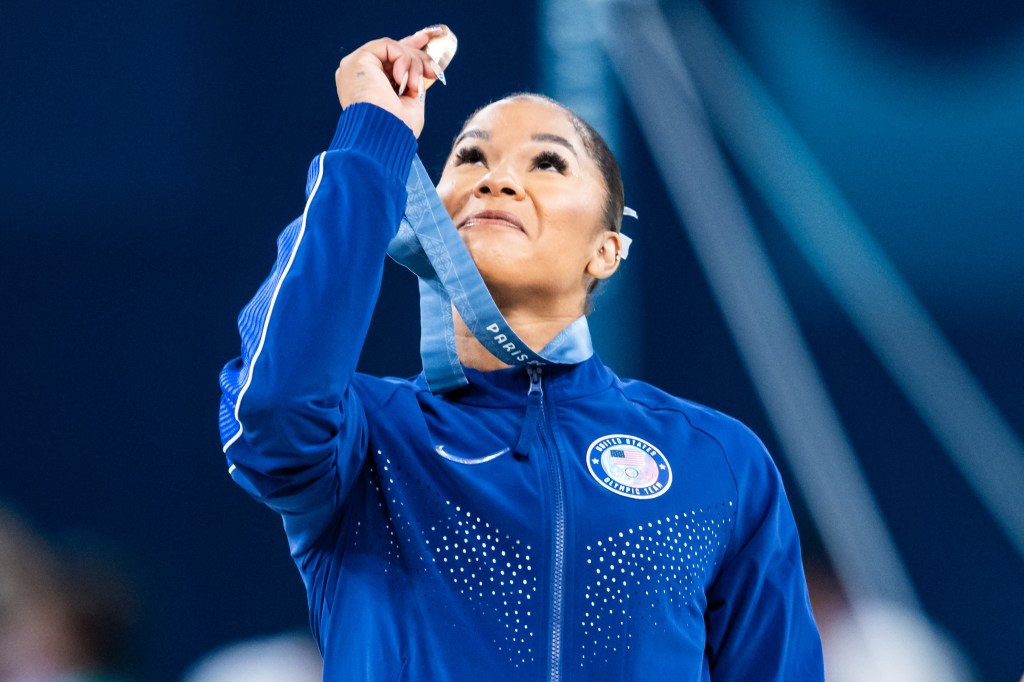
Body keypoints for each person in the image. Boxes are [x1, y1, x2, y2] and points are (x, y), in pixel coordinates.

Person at [218, 27, 824, 681]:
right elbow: (271, 410)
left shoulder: (718, 461)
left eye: (548, 163)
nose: (497, 181)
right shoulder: (369, 438)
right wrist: (372, 137)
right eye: (471, 159)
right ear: (429, 214)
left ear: (607, 250)